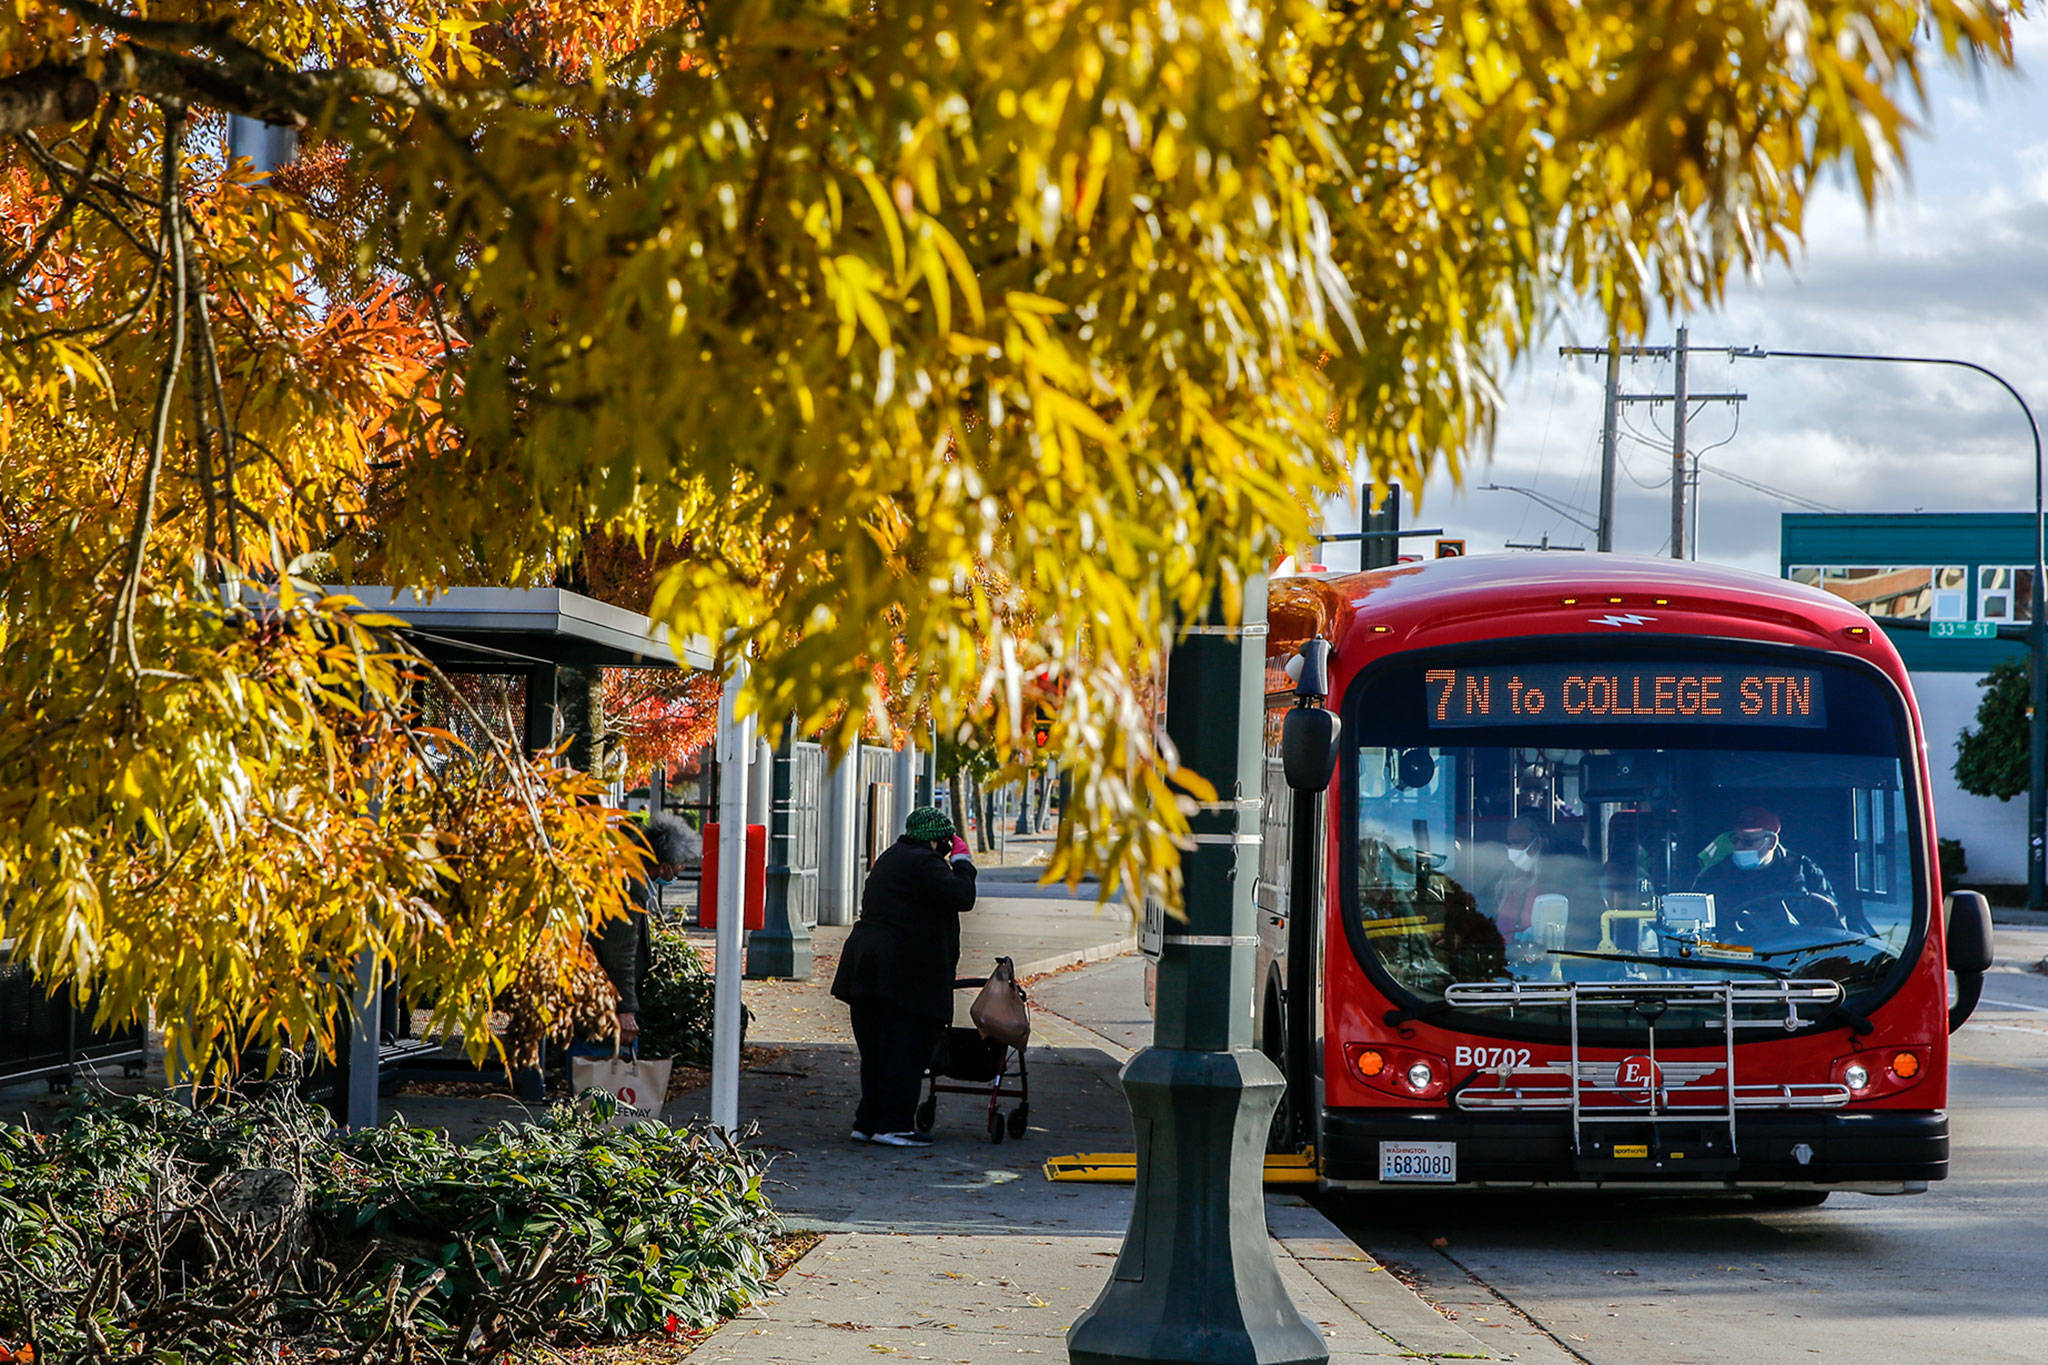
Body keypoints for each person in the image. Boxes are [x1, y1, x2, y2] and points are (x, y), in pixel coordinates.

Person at [830, 805, 977, 1147]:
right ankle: (894, 1124)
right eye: (946, 843)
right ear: (937, 842)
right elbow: (963, 896)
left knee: (876, 1052)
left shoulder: (892, 857)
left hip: (866, 968)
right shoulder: (923, 863)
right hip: (904, 974)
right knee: (906, 1050)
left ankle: (867, 1122)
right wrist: (964, 863)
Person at [1693, 806, 1859, 934]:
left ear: (1771, 842)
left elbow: (1833, 923)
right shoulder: (1716, 875)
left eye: (1748, 842)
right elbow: (1693, 928)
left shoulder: (1803, 870)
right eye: (1735, 840)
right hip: (1734, 961)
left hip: (1795, 961)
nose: (1738, 847)